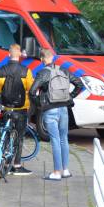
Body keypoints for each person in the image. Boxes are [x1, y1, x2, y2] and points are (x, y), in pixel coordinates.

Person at [30, 48, 84, 180]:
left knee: (54, 140)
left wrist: (40, 104)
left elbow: (32, 91)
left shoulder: (43, 72)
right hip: (64, 109)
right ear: (52, 58)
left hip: (50, 110)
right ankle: (65, 170)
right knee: (63, 138)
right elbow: (79, 84)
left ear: (42, 59)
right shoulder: (64, 70)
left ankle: (56, 172)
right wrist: (70, 97)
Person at [0, 44, 34, 175]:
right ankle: (16, 165)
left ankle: (4, 162)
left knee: (5, 135)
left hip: (7, 108)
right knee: (19, 137)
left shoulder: (0, 71)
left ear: (8, 54)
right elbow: (30, 88)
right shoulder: (26, 71)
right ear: (20, 55)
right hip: (21, 108)